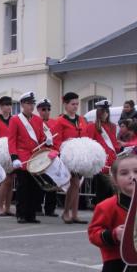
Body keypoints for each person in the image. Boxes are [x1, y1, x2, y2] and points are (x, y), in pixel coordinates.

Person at [9, 92, 48, 224]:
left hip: (35, 157)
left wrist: (46, 140)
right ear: (22, 104)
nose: (31, 106)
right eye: (28, 103)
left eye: (32, 103)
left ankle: (31, 214)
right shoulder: (15, 120)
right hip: (22, 158)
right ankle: (21, 214)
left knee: (35, 187)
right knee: (23, 188)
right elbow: (12, 140)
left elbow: (41, 137)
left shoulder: (37, 120)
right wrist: (14, 157)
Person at [53, 92, 88, 224]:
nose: (75, 106)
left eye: (77, 104)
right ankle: (66, 212)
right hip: (68, 156)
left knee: (76, 185)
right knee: (74, 184)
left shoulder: (81, 120)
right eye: (73, 104)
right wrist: (60, 155)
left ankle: (74, 214)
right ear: (65, 104)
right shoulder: (60, 121)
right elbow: (57, 140)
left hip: (79, 156)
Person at [87, 100, 119, 205]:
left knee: (111, 191)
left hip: (112, 160)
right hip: (101, 161)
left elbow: (114, 144)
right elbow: (90, 142)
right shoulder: (93, 126)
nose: (106, 114)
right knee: (102, 190)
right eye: (103, 111)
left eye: (107, 111)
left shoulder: (113, 126)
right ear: (99, 112)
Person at [36, 98, 58, 217]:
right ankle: (37, 207)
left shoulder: (55, 123)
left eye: (48, 109)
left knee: (52, 182)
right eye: (44, 109)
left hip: (52, 155)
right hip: (40, 156)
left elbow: (58, 139)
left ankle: (50, 208)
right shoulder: (34, 122)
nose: (46, 111)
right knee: (40, 183)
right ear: (39, 110)